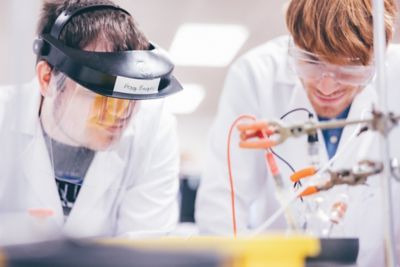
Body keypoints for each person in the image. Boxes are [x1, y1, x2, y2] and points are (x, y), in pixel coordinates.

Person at [195, 0, 400, 266]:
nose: (326, 87)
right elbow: (220, 209)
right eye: (311, 63)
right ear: (294, 41)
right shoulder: (256, 75)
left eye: (348, 70)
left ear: (380, 52)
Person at [0, 0, 182, 241]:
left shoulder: (154, 129)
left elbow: (145, 246)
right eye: (102, 95)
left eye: (130, 98)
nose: (121, 114)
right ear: (47, 80)